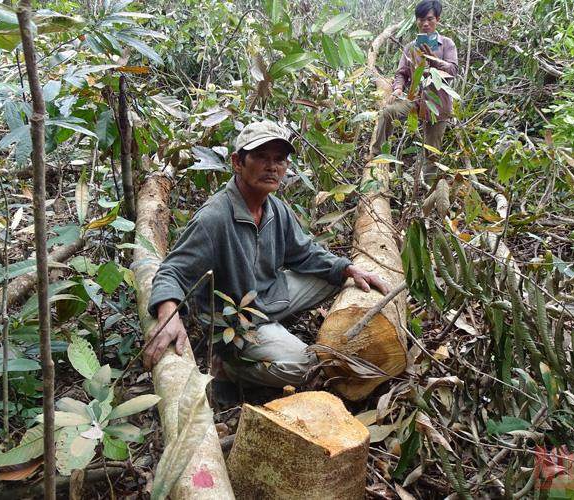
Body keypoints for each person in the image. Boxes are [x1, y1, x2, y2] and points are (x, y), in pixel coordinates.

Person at [144, 120, 390, 388]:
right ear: (238, 162)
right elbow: (172, 271)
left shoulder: (275, 209)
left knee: (341, 278)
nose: (272, 167)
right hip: (238, 319)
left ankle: (275, 334)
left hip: (269, 295)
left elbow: (304, 253)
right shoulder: (213, 218)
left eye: (279, 159)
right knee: (305, 368)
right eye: (261, 157)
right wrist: (169, 316)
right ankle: (230, 368)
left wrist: (348, 269)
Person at [368, 0, 458, 185]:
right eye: (421, 19)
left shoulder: (447, 44)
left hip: (438, 105)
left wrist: (433, 61)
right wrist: (398, 88)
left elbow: (453, 71)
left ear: (437, 20)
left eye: (429, 19)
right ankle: (377, 156)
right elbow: (401, 73)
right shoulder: (410, 47)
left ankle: (427, 192)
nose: (425, 23)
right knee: (388, 113)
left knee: (432, 153)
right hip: (414, 98)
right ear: (416, 21)